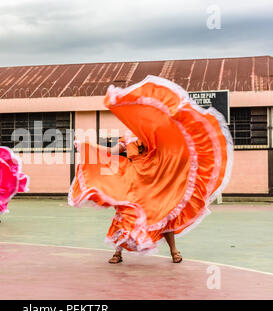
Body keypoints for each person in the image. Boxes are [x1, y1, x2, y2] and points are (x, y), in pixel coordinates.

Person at [68, 75, 233, 264]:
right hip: (133, 180)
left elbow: (173, 147)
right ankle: (118, 253)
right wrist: (87, 146)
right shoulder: (126, 139)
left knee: (164, 211)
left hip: (155, 178)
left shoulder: (154, 137)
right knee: (126, 212)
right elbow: (112, 152)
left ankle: (174, 251)